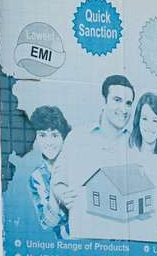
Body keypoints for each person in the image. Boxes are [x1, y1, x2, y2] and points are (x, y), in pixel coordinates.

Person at [51, 74, 135, 239]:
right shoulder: (77, 138)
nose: (123, 109)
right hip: (83, 240)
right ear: (103, 102)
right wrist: (63, 195)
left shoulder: (136, 145)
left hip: (122, 244)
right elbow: (57, 182)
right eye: (117, 100)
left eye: (128, 103)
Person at [28, 106, 71, 238]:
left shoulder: (75, 164)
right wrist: (53, 189)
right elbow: (47, 223)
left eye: (54, 135)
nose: (48, 142)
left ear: (63, 137)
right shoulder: (37, 177)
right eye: (42, 135)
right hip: (64, 246)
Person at [128, 91, 157, 206]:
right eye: (144, 119)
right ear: (137, 121)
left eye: (154, 120)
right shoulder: (129, 154)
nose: (149, 126)